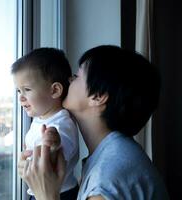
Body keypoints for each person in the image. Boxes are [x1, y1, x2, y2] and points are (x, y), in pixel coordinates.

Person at [18, 45, 169, 200]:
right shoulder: (115, 154)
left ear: (98, 96)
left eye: (76, 76)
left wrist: (46, 193)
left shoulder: (107, 178)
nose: (69, 79)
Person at [11, 48, 80, 200]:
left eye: (27, 90)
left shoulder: (61, 125)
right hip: (39, 191)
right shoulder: (42, 118)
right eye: (18, 91)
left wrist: (54, 147)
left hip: (59, 195)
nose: (21, 98)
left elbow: (56, 157)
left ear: (55, 90)